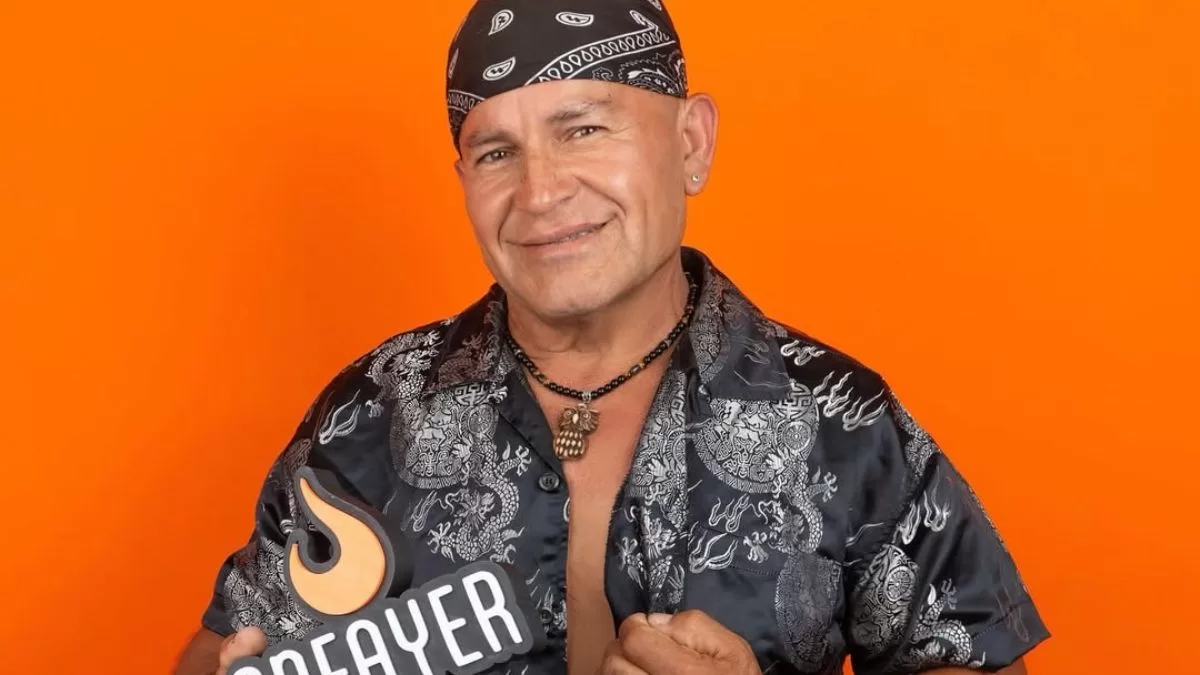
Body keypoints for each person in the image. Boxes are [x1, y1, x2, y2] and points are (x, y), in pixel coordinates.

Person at [174, 1, 1049, 673]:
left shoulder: (840, 417)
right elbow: (226, 647)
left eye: (584, 129)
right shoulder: (370, 412)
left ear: (691, 143)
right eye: (496, 153)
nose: (540, 192)